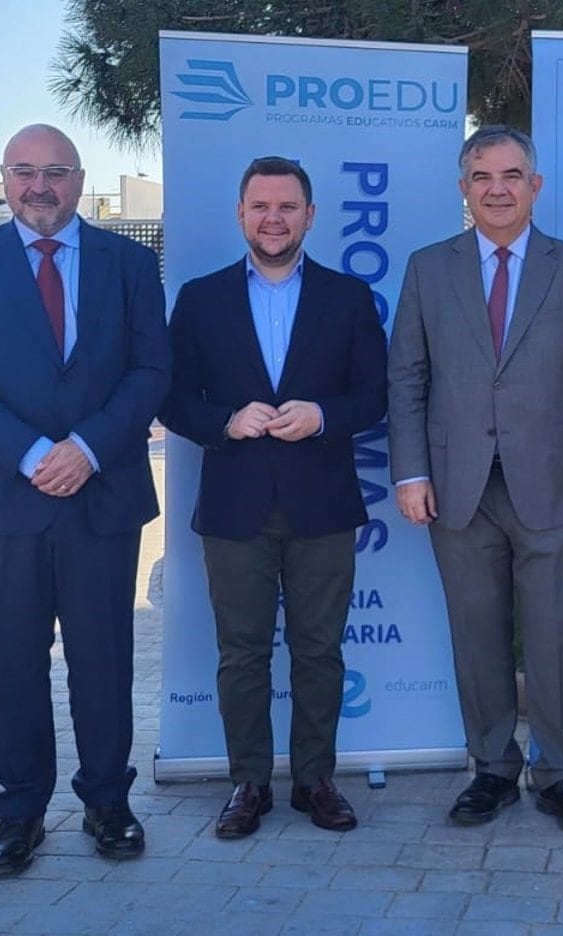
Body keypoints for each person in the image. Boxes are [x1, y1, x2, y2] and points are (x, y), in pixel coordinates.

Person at [0, 125, 169, 876]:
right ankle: (18, 812)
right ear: (3, 178)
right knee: (8, 663)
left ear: (79, 178)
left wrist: (87, 449)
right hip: (3, 496)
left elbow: (151, 368)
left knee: (104, 659)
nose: (40, 186)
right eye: (25, 171)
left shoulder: (130, 262)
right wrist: (34, 454)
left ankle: (107, 801)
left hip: (102, 494)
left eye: (56, 171)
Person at [387, 125, 563, 835]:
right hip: (457, 486)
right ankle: (491, 769)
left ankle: (559, 776)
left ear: (535, 186)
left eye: (512, 175)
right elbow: (406, 376)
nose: (497, 188)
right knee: (476, 633)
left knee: (553, 636)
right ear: (464, 189)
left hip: (554, 486)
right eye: (482, 176)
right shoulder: (428, 269)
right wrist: (411, 472)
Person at [160, 156, 387, 837]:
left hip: (323, 503)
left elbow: (374, 394)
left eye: (287, 206)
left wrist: (322, 416)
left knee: (320, 650)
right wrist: (223, 422)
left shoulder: (348, 297)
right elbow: (171, 397)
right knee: (242, 652)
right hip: (235, 503)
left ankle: (315, 779)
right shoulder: (200, 298)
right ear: (240, 214)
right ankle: (248, 782)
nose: (273, 218)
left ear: (310, 216)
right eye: (260, 206)